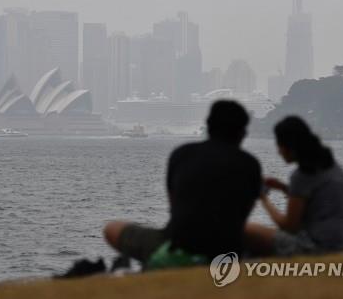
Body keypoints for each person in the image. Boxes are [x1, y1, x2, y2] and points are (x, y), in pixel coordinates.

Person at [104, 100, 262, 264]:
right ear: (242, 133)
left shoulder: (182, 154)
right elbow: (244, 213)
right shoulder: (250, 164)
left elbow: (173, 203)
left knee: (112, 228)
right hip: (226, 249)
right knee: (256, 233)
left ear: (208, 126)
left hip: (175, 243)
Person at [245, 116, 343, 256]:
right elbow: (315, 200)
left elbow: (289, 227)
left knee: (244, 231)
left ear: (289, 146)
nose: (278, 151)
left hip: (315, 248)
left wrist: (263, 198)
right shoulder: (332, 166)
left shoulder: (301, 176)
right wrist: (284, 188)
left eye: (279, 145)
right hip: (341, 244)